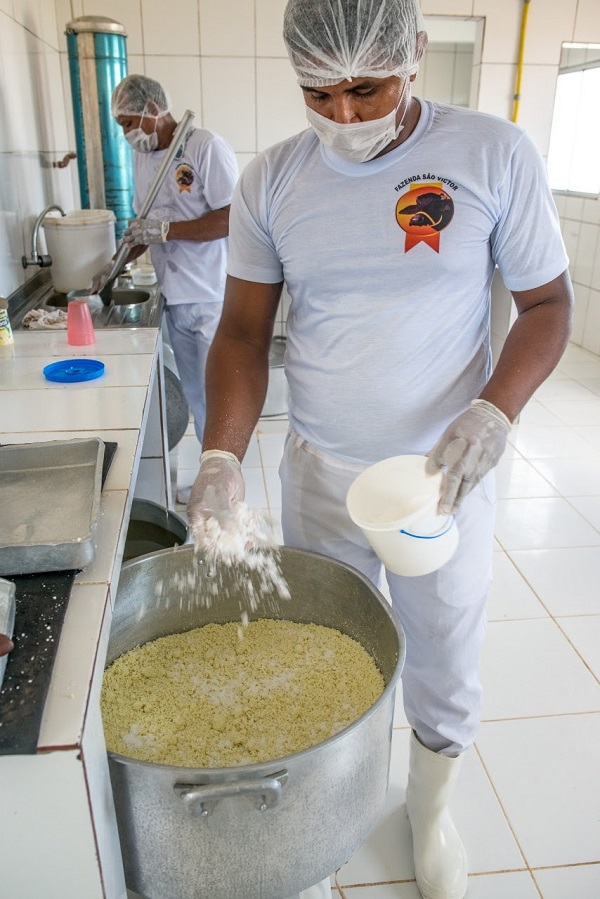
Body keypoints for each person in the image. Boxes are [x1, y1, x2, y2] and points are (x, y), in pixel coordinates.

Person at [186, 1, 573, 897]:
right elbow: (243, 333)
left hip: (441, 480)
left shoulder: (490, 154)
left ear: (415, 59)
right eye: (320, 92)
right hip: (322, 474)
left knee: (441, 651)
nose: (345, 114)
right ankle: (336, 802)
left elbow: (549, 306)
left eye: (366, 87)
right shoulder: (274, 180)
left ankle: (430, 809)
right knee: (328, 650)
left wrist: (494, 412)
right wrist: (220, 456)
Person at [93, 75, 238, 503]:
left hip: (213, 293)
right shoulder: (144, 158)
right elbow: (147, 226)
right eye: (120, 126)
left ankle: (228, 485)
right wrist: (115, 264)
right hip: (174, 294)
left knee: (221, 395)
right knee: (197, 395)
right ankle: (212, 475)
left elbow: (232, 217)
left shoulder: (204, 147)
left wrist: (167, 229)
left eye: (128, 122)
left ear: (154, 108)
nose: (127, 134)